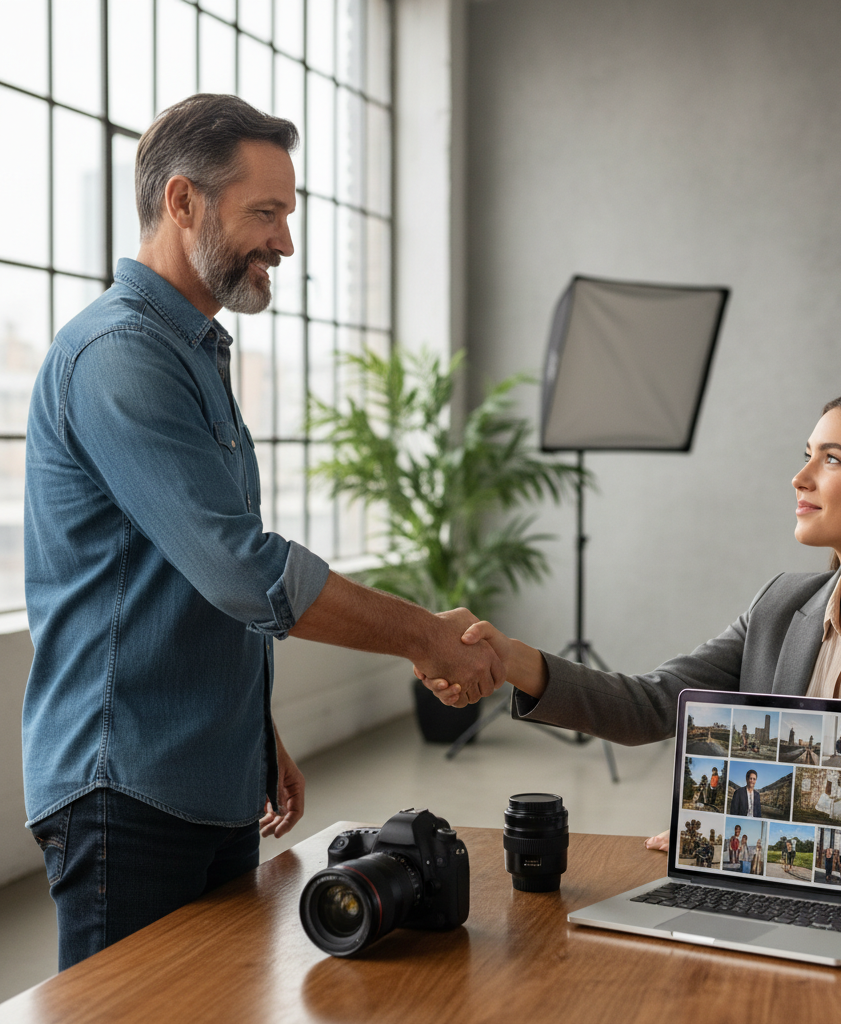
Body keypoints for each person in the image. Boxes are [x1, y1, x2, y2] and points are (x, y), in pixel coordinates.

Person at [22, 95, 503, 972]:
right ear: (182, 203)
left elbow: (191, 577)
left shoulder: (192, 351)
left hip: (202, 776)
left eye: (289, 213)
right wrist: (427, 637)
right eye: (266, 212)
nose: (285, 241)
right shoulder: (119, 356)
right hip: (125, 788)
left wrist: (254, 727)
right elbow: (244, 570)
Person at [421, 391, 841, 880]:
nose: (800, 477)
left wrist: (771, 838)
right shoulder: (779, 604)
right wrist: (511, 657)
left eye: (831, 460)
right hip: (764, 893)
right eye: (806, 455)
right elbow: (653, 704)